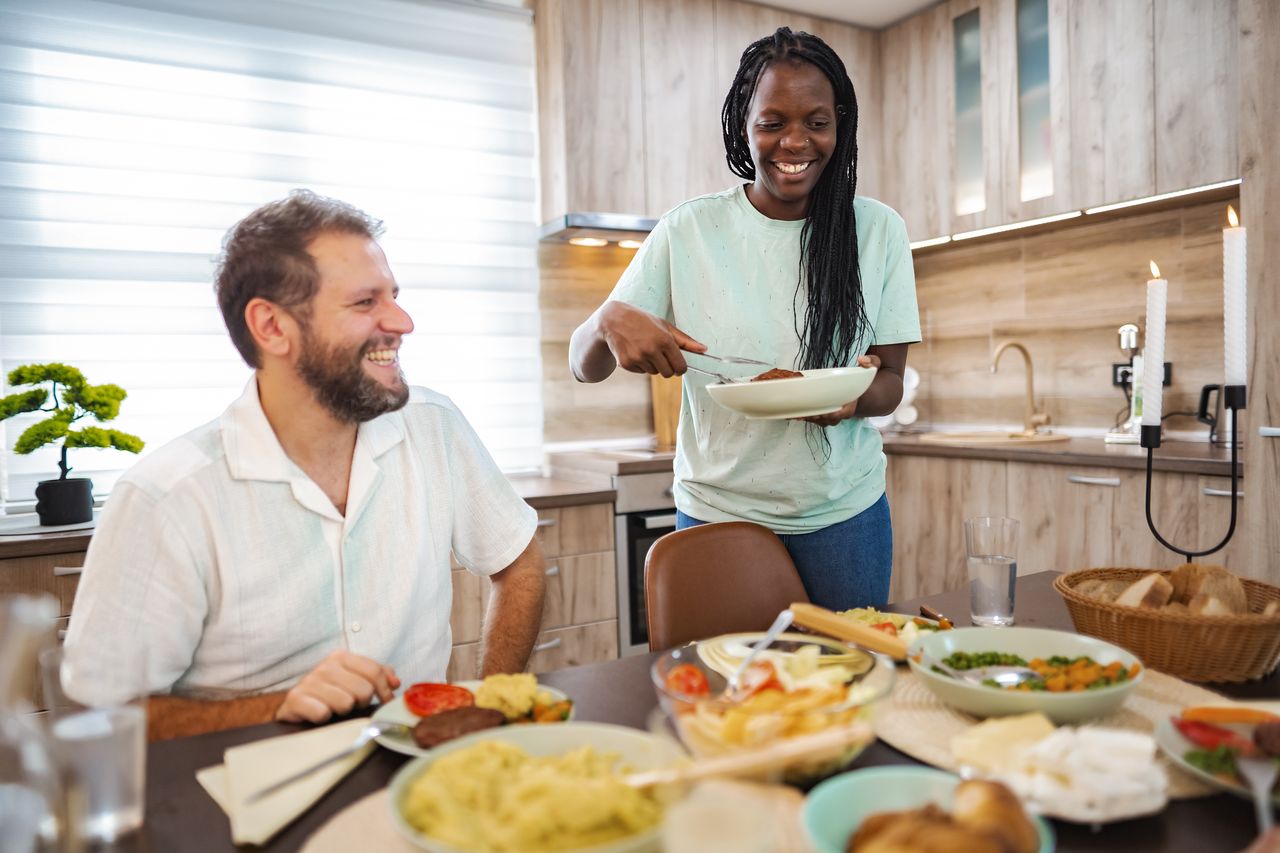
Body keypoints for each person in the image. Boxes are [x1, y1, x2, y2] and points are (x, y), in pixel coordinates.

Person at [64, 190, 546, 740]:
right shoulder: (167, 499)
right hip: (237, 801)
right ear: (271, 327)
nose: (402, 321)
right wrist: (279, 707)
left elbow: (520, 564)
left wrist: (489, 708)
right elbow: (102, 720)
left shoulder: (433, 426)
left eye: (394, 296)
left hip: (415, 779)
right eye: (366, 303)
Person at [569, 27, 920, 610]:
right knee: (726, 692)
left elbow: (889, 383)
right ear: (744, 127)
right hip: (716, 514)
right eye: (773, 122)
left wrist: (853, 398)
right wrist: (608, 319)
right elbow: (583, 367)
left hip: (845, 517)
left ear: (841, 126)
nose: (795, 142)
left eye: (817, 122)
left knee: (848, 689)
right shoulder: (689, 230)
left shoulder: (879, 230)